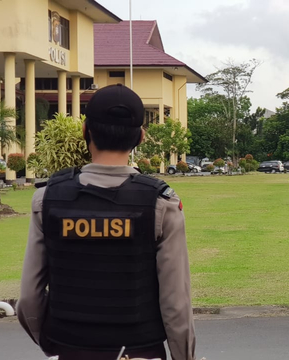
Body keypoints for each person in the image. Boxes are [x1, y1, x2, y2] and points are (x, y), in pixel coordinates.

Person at [17, 84, 196, 360]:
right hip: (141, 352)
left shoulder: (47, 199)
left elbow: (29, 298)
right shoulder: (162, 204)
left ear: (85, 131)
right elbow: (176, 305)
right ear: (141, 137)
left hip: (70, 350)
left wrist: (53, 345)